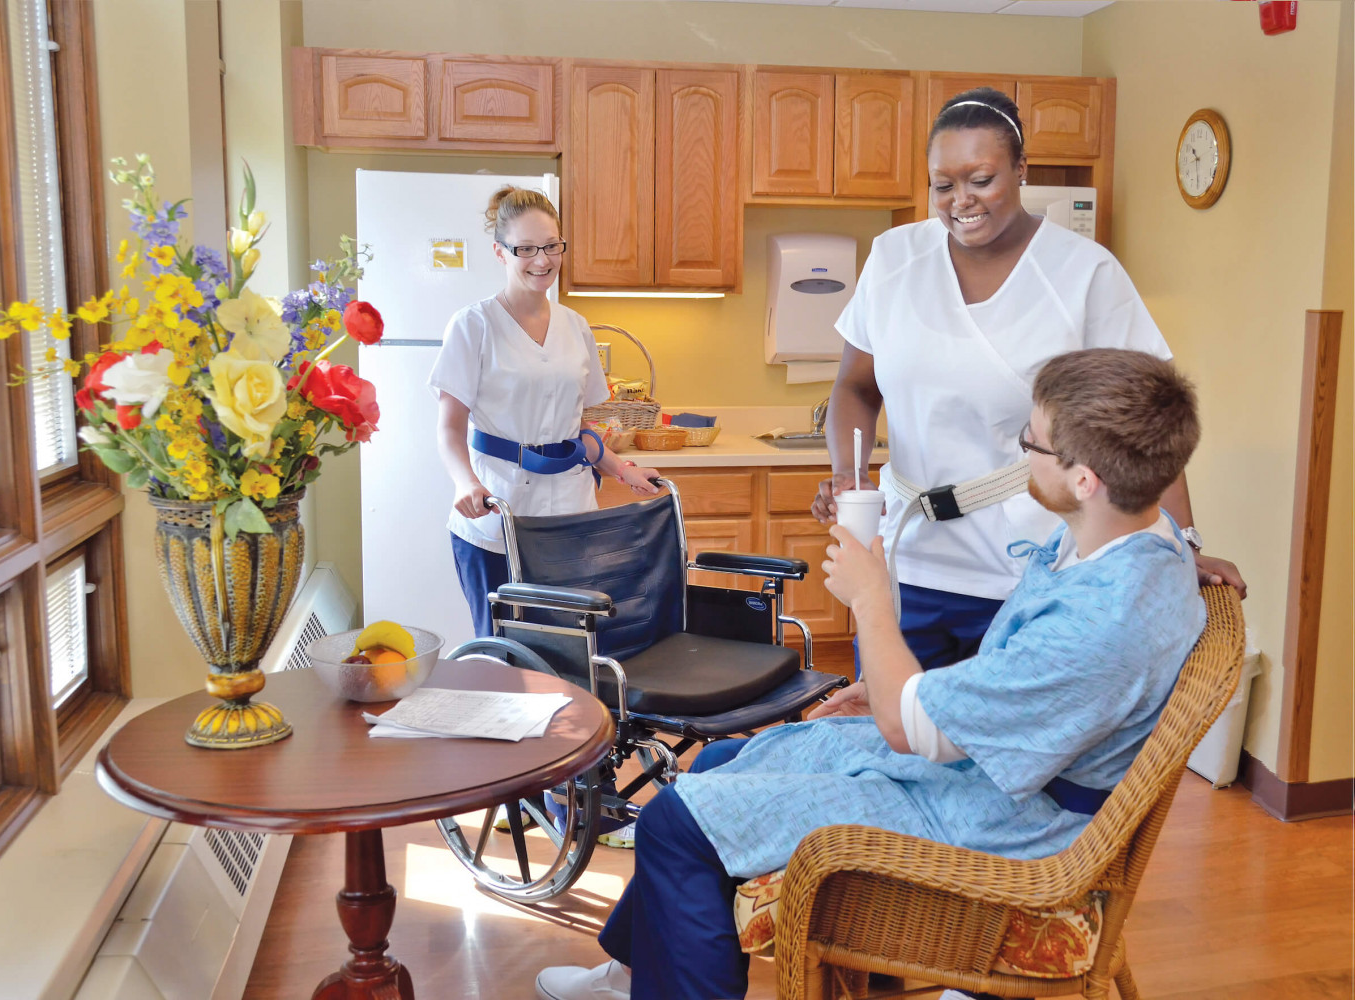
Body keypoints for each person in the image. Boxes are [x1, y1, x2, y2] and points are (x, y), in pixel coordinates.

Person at [536, 348, 1209, 1000]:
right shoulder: (1138, 541)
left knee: (670, 823)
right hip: (995, 771)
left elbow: (914, 730)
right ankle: (636, 978)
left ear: (1086, 478)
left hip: (1001, 825)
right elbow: (1008, 689)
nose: (1017, 452)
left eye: (1029, 442)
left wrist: (870, 601)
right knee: (722, 763)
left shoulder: (1101, 620)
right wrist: (888, 690)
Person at [813, 87, 1243, 676]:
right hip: (906, 561)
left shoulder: (1084, 272)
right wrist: (846, 473)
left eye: (981, 179)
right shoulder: (894, 259)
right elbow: (855, 389)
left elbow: (1147, 426)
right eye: (943, 184)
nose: (961, 200)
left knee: (1006, 754)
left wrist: (1180, 545)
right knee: (893, 737)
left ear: (1020, 170)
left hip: (1031, 567)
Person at [430, 185, 661, 640]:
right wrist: (465, 483)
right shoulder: (473, 325)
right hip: (498, 515)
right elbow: (449, 429)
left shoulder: (576, 326)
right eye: (526, 249)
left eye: (552, 246)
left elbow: (577, 425)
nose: (543, 260)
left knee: (571, 648)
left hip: (570, 520)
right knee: (505, 654)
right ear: (500, 252)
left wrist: (621, 468)